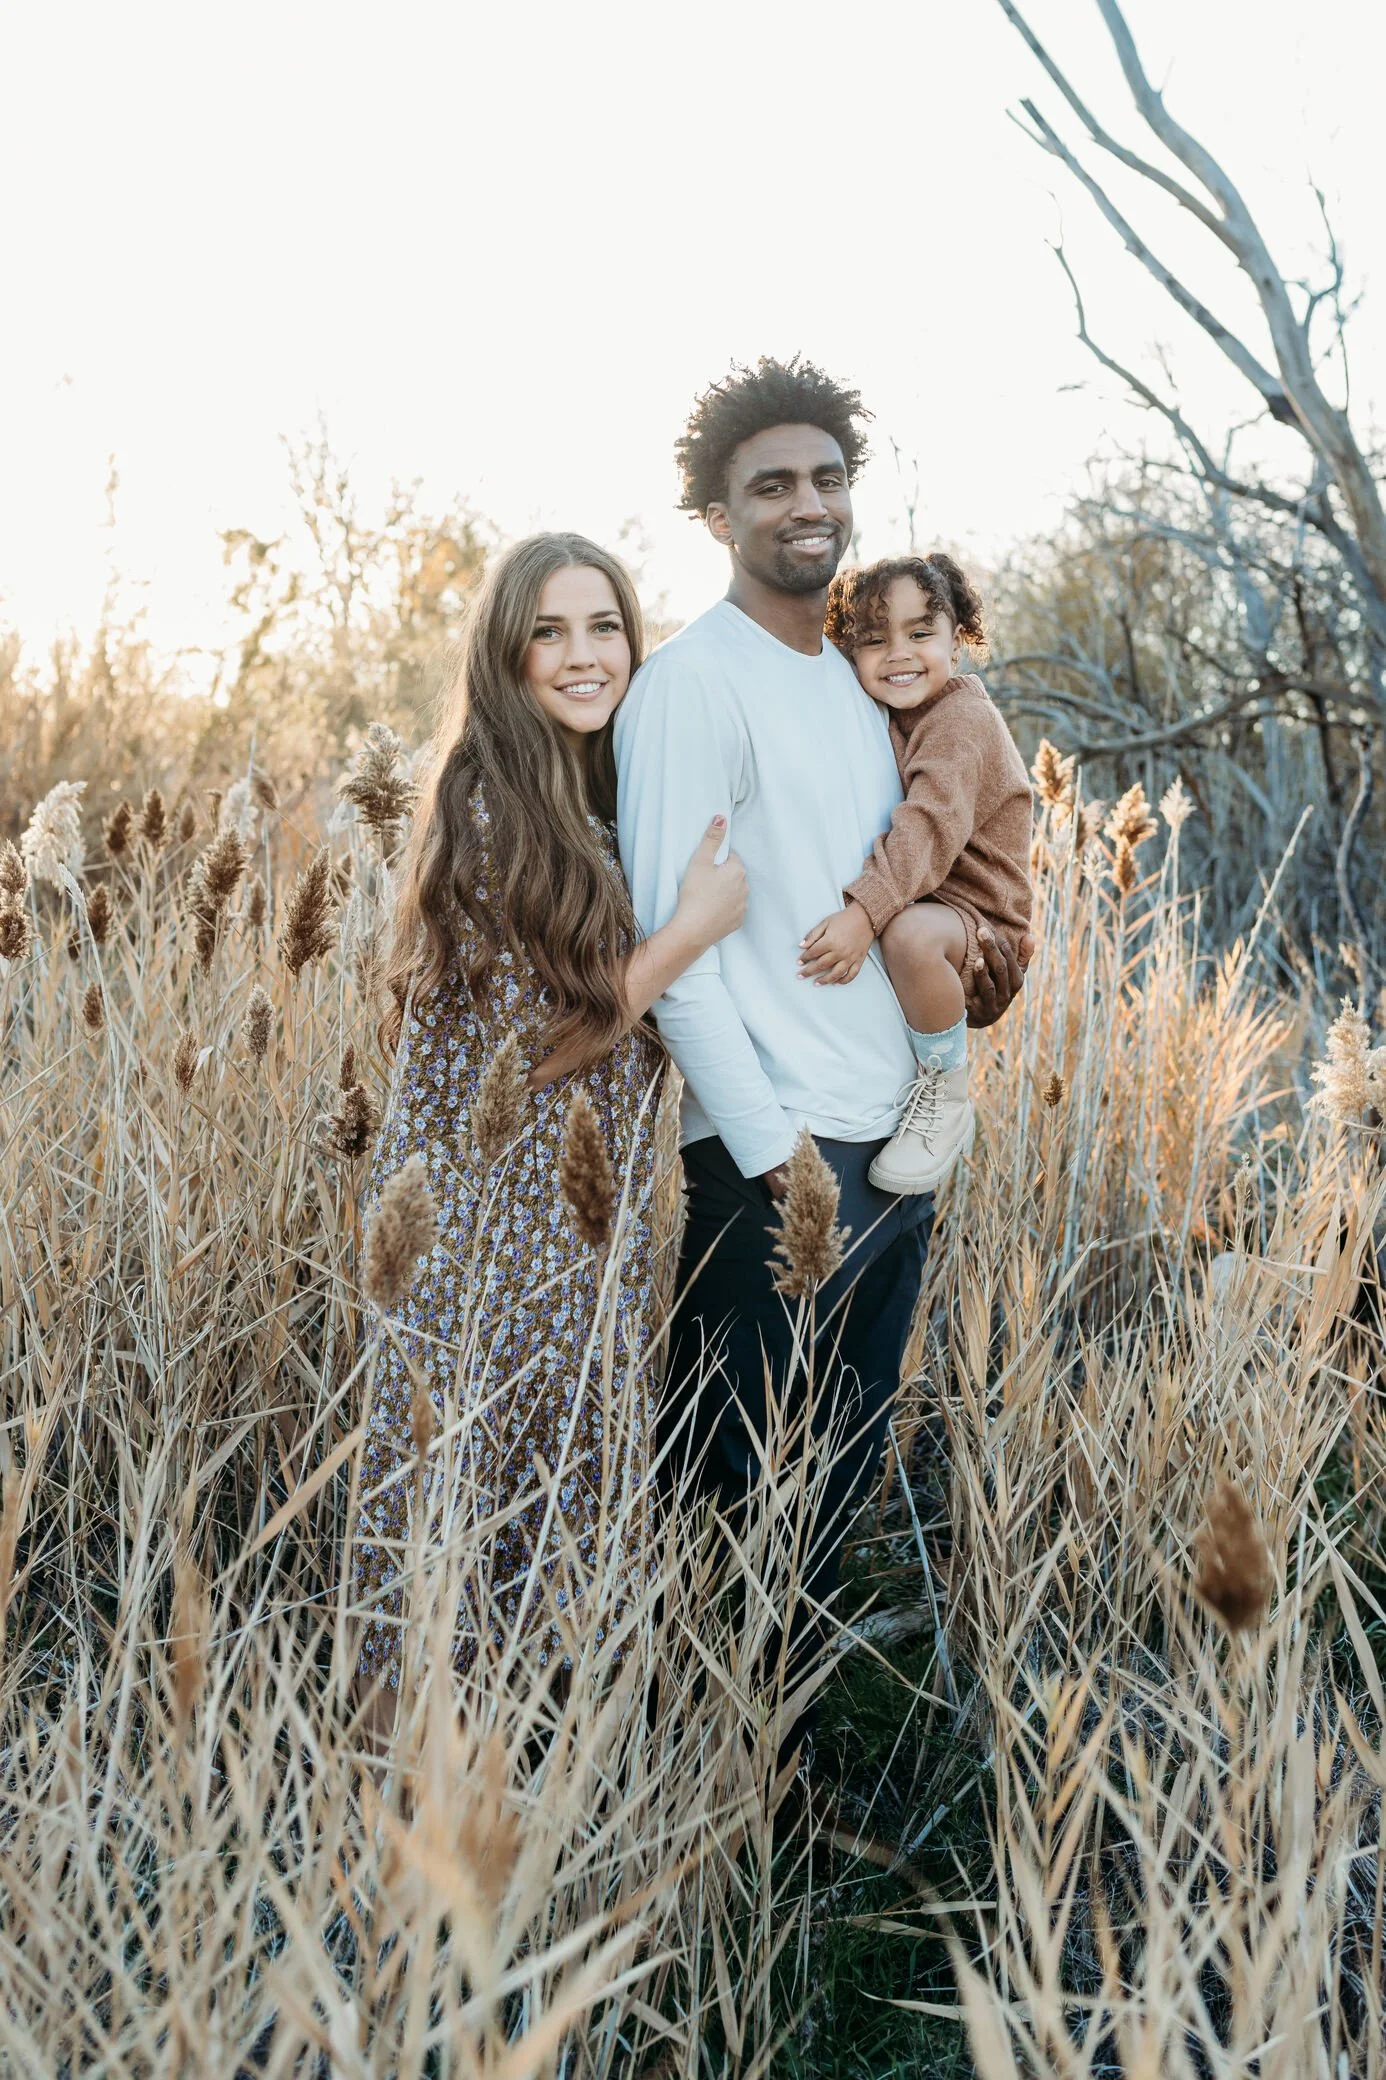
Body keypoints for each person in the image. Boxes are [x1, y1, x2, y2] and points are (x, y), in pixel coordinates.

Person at [614, 359, 1028, 1752]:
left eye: (828, 478)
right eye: (772, 484)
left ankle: (780, 1788)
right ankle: (691, 1788)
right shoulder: (691, 685)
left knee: (830, 1491)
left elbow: (939, 866)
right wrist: (768, 1153)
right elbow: (677, 951)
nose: (808, 505)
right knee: (728, 1501)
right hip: (773, 1156)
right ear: (716, 514)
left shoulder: (868, 687)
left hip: (894, 1145)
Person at [354, 532, 746, 1707]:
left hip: (578, 1218)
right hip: (479, 1216)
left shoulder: (606, 792)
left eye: (605, 626)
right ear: (507, 654)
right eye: (550, 632)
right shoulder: (488, 802)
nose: (585, 655)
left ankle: (550, 1766)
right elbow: (526, 1056)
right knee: (463, 1493)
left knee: (568, 1479)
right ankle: (420, 1769)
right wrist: (690, 931)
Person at [797, 553, 1033, 1194]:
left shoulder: (961, 719)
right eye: (874, 640)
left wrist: (863, 913)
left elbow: (928, 827)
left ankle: (945, 1092)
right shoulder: (883, 714)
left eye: (920, 633)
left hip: (980, 918)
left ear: (957, 640)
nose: (898, 653)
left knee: (909, 937)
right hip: (934, 903)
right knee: (909, 932)